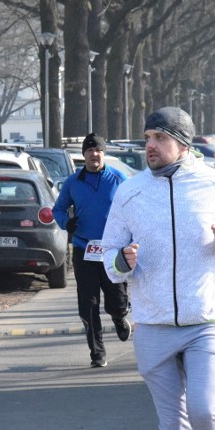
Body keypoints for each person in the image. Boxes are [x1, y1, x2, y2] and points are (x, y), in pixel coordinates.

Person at [101, 107, 215, 430]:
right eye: (147, 138)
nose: (149, 146)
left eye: (159, 138)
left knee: (205, 410)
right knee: (172, 425)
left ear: (183, 143)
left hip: (205, 320)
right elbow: (108, 256)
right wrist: (122, 261)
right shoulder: (130, 191)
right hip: (153, 324)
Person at [53, 133, 131, 369]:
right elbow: (58, 209)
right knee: (88, 304)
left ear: (103, 153)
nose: (93, 155)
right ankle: (97, 353)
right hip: (83, 248)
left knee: (115, 300)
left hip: (112, 248)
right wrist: (67, 223)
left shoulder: (118, 178)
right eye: (89, 151)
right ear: (83, 155)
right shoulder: (73, 182)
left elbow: (134, 207)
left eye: (98, 151)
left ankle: (119, 316)